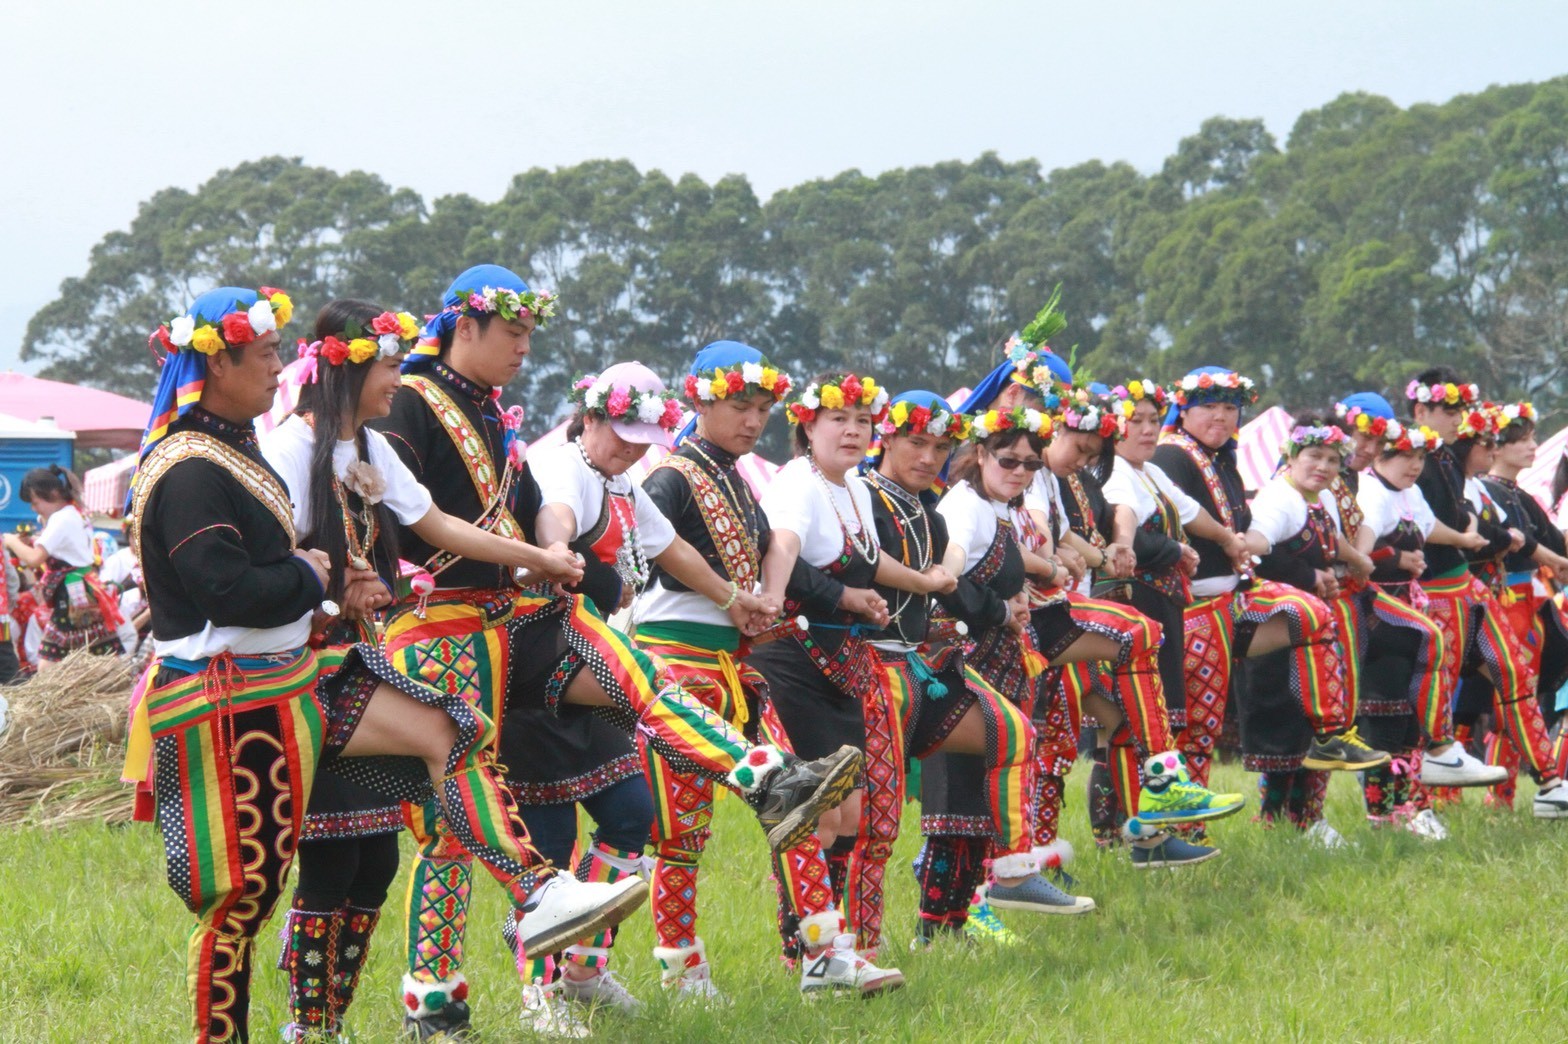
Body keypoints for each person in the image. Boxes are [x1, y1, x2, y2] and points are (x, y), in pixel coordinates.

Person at [128, 287, 648, 1044]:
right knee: (245, 900)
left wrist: (339, 586)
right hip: (229, 695)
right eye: (268, 354)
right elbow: (227, 588)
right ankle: (259, 1033)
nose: (282, 368)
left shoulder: (245, 450)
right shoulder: (195, 465)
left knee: (450, 735)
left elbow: (403, 534)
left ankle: (537, 892)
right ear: (218, 358)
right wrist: (318, 578)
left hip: (299, 674)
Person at [374, 266, 863, 1034]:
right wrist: (551, 554)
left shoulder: (493, 411)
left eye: (532, 333)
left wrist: (555, 558)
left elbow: (540, 518)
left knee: (641, 685)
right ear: (465, 326)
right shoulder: (410, 399)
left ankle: (765, 778)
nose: (525, 348)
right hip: (443, 622)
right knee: (450, 826)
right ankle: (436, 998)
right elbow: (421, 517)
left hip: (518, 618)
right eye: (515, 332)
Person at [261, 299, 621, 1040]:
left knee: (372, 863)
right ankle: (532, 891)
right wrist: (335, 592)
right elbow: (270, 563)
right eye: (390, 365)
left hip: (356, 663)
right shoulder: (291, 451)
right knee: (344, 848)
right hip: (300, 670)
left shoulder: (366, 449)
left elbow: (438, 525)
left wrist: (537, 560)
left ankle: (326, 1027)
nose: (399, 379)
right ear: (348, 365)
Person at [634, 341, 862, 999]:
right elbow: (644, 563)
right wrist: (732, 598)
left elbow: (771, 553)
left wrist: (794, 597)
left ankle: (823, 953)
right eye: (739, 406)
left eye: (762, 408)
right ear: (699, 401)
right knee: (680, 834)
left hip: (737, 668)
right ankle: (681, 971)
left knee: (797, 798)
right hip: (677, 667)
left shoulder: (737, 478)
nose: (753, 420)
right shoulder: (671, 477)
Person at [1151, 367, 1389, 805]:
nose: (1221, 417)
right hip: (1191, 608)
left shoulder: (1221, 457)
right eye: (1209, 406)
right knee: (1192, 725)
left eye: (1230, 407)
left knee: (1313, 615)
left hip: (1230, 599)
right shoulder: (1173, 456)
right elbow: (1203, 527)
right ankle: (1176, 823)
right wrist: (1240, 544)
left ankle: (1331, 732)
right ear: (1183, 410)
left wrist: (1350, 562)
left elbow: (1244, 526)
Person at [748, 370, 914, 994]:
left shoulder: (856, 489)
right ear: (807, 426)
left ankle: (830, 945)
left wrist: (920, 586)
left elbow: (868, 562)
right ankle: (807, 956)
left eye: (863, 421)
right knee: (813, 813)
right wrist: (771, 592)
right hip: (794, 659)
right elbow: (784, 545)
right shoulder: (798, 482)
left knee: (847, 814)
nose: (852, 431)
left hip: (841, 661)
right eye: (838, 419)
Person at [1406, 369, 1568, 818]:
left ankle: (1550, 784)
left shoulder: (1445, 463)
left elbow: (1480, 526)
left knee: (1515, 677)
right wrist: (1481, 536)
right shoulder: (1412, 460)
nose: (1461, 421)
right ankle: (1420, 804)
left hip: (1472, 590)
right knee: (1433, 693)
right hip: (1431, 594)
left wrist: (1485, 535)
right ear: (1421, 411)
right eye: (1450, 411)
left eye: (1462, 411)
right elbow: (1432, 525)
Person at [1478, 402, 1568, 805]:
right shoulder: (1486, 491)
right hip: (1502, 601)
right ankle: (1499, 797)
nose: (1533, 446)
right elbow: (1536, 548)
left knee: (1518, 697)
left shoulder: (1520, 494)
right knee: (1507, 701)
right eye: (1523, 440)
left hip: (1526, 602)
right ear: (1495, 448)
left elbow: (1552, 541)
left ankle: (1502, 797)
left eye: (1532, 439)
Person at [3, 465, 124, 665]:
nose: (34, 509)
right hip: (78, 590)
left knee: (54, 659)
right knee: (96, 647)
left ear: (53, 493)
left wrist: (11, 541)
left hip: (72, 594)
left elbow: (34, 559)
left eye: (35, 502)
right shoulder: (74, 512)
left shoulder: (61, 518)